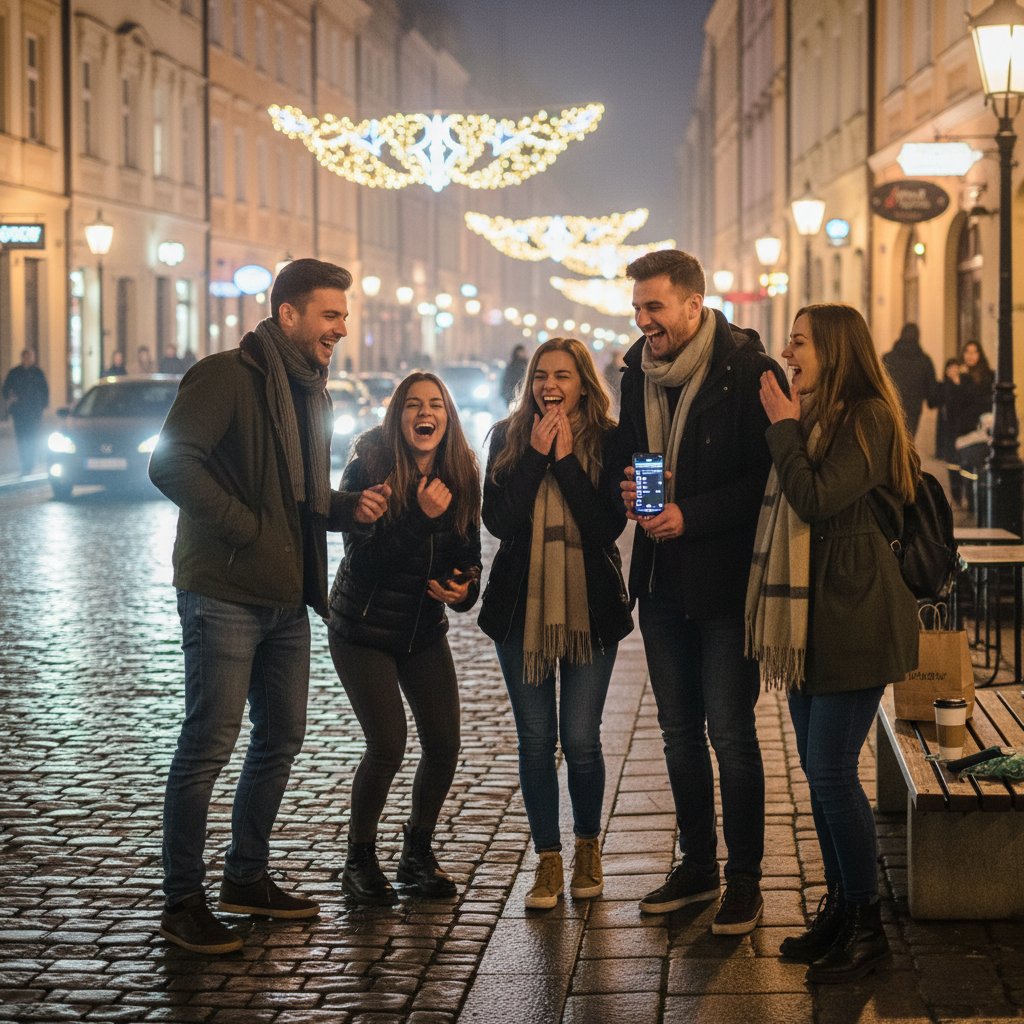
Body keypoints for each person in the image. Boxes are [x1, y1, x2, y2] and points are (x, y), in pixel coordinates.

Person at [148, 258, 390, 955]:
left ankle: (245, 877)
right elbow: (170, 462)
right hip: (223, 590)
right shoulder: (226, 375)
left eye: (343, 316)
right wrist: (245, 527)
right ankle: (182, 901)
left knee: (281, 736)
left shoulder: (310, 390)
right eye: (330, 315)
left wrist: (350, 508)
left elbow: (300, 495)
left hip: (286, 597)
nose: (341, 329)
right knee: (207, 745)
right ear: (288, 314)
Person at [748, 303, 919, 983]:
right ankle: (840, 912)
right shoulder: (817, 412)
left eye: (800, 343)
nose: (790, 354)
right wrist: (791, 426)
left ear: (836, 350)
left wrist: (783, 430)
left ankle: (866, 922)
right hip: (812, 620)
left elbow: (815, 498)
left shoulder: (868, 416)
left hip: (855, 614)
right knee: (822, 783)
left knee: (829, 774)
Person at [615, 249, 783, 935]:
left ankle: (744, 877)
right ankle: (696, 865)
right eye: (637, 309)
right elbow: (639, 454)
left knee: (731, 734)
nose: (643, 321)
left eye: (654, 307)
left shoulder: (747, 370)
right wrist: (641, 495)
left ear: (693, 303)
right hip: (660, 582)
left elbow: (767, 481)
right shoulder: (638, 374)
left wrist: (693, 513)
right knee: (678, 733)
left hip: (723, 584)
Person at [480, 337, 632, 910]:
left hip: (589, 612)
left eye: (563, 376)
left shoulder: (612, 441)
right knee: (536, 741)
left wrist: (566, 462)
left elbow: (604, 529)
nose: (550, 386)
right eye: (542, 375)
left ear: (583, 383)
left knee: (581, 739)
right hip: (521, 612)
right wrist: (538, 458)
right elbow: (499, 522)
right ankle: (547, 859)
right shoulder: (507, 436)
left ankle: (588, 846)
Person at [328, 372, 482, 904]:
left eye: (436, 404)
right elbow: (363, 563)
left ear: (447, 415)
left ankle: (417, 854)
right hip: (362, 628)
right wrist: (419, 516)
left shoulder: (460, 471)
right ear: (398, 416)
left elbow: (469, 556)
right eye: (413, 404)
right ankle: (359, 861)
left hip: (421, 629)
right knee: (388, 744)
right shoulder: (368, 467)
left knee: (444, 744)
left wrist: (463, 589)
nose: (426, 412)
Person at [881, 322, 936, 439]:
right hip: (913, 408)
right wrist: (933, 401)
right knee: (908, 440)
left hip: (891, 405)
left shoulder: (888, 358)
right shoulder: (924, 360)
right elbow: (931, 389)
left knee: (891, 439)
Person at [2, 349, 49, 475]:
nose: (28, 359)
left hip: (34, 411)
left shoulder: (38, 373)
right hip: (20, 412)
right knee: (22, 438)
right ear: (22, 358)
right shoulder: (15, 372)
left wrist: (43, 406)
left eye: (30, 357)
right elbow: (6, 387)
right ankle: (25, 463)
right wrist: (10, 398)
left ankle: (30, 463)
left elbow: (44, 390)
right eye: (26, 357)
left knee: (32, 437)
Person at [934, 357, 964, 506]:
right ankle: (956, 496)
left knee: (961, 463)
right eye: (950, 368)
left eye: (956, 367)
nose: (953, 370)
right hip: (948, 431)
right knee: (952, 464)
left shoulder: (964, 385)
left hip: (962, 429)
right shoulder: (944, 386)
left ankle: (960, 495)